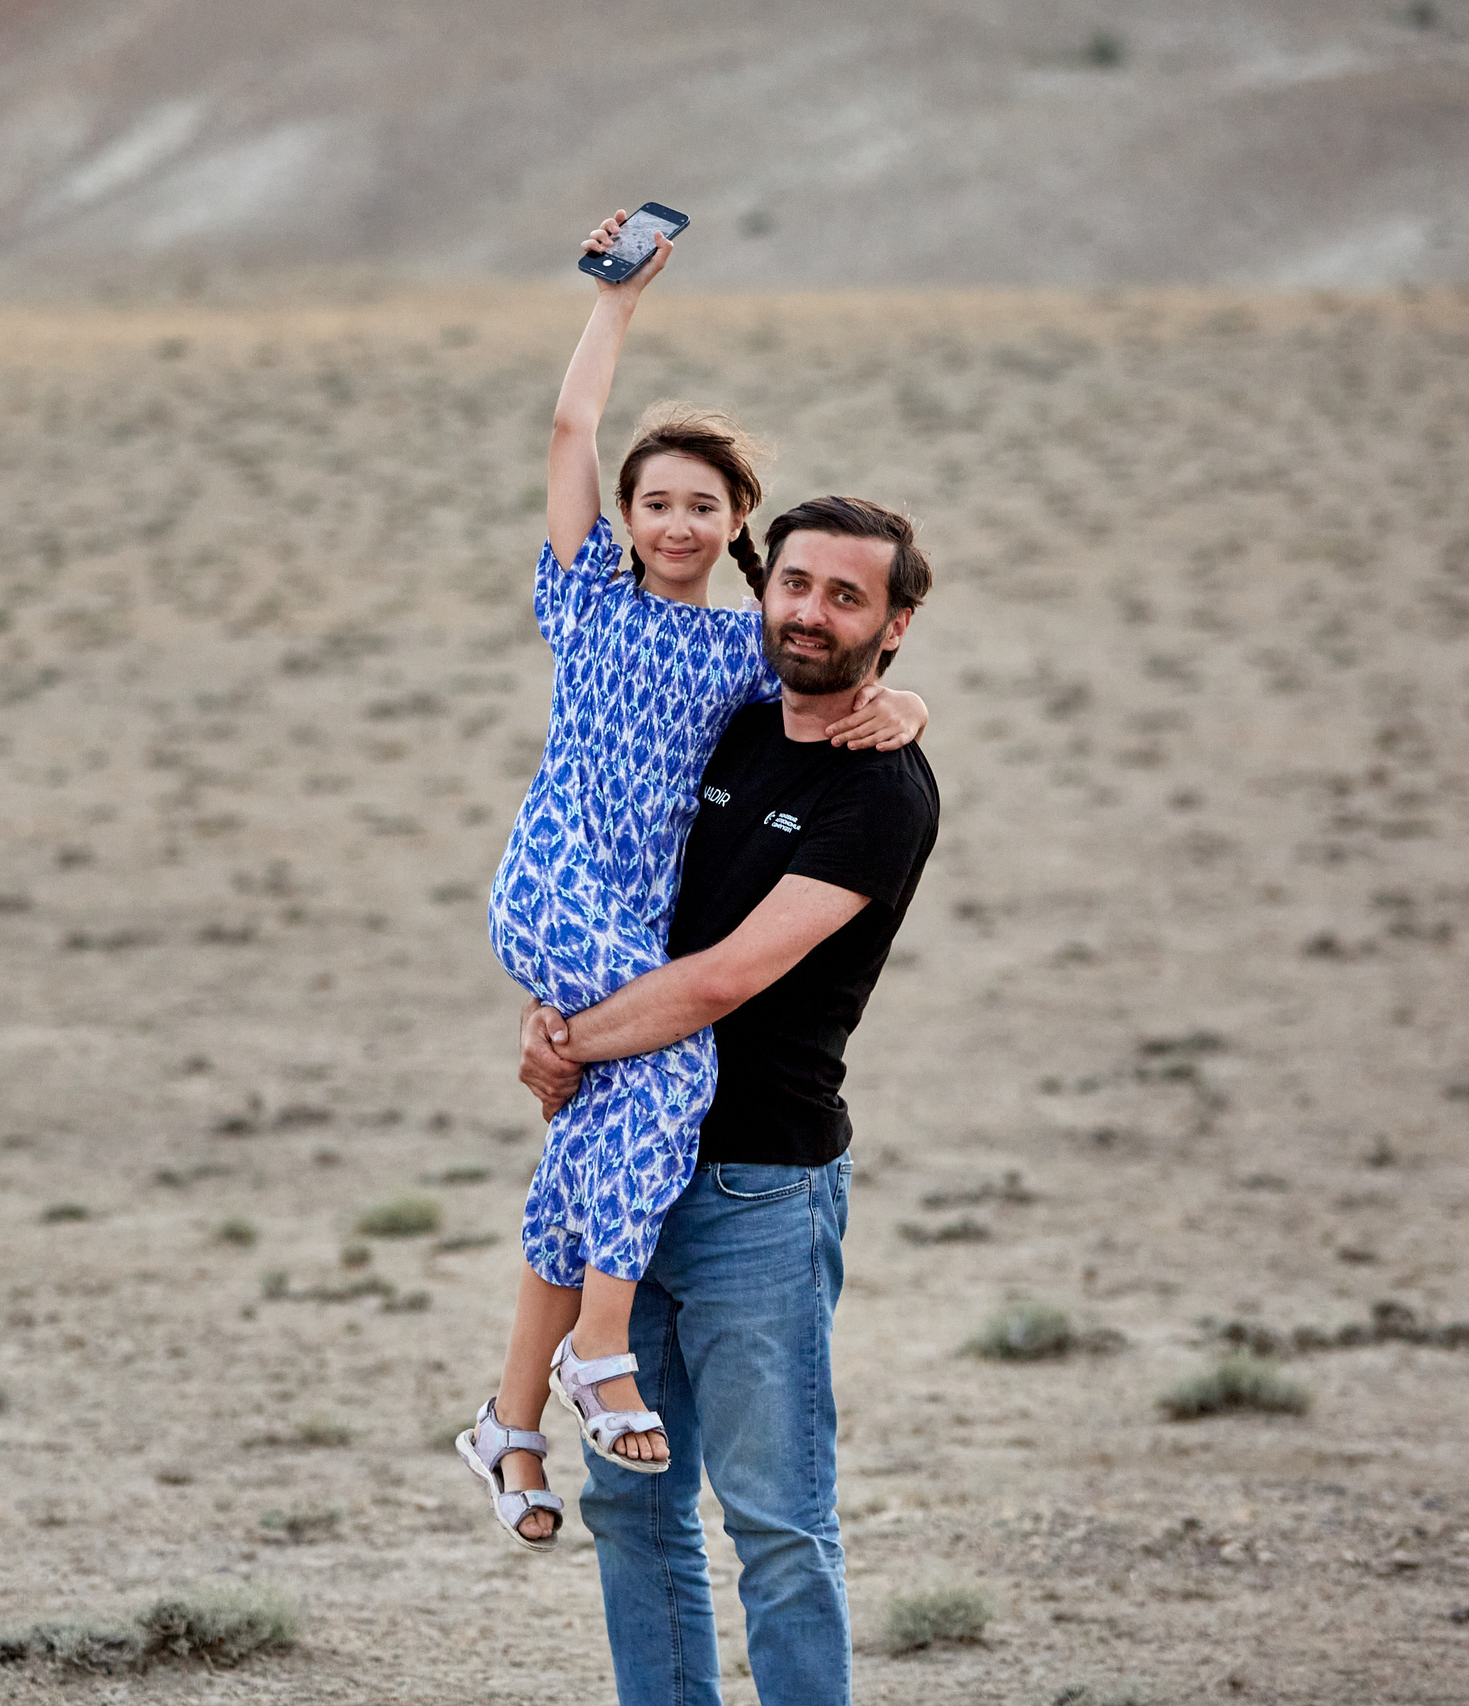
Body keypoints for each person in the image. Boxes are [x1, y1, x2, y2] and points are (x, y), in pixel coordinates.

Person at [459, 211, 930, 1555]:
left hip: (632, 917)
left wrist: (906, 705)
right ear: (624, 518)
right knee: (675, 1068)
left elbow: (830, 669)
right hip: (553, 884)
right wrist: (615, 303)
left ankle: (507, 1419)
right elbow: (566, 436)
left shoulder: (740, 649)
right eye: (653, 498)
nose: (674, 517)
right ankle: (601, 1348)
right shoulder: (583, 599)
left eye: (703, 506)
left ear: (736, 534)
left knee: (592, 1125)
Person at [519, 494, 940, 1706]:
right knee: (633, 1510)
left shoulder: (883, 793)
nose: (809, 612)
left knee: (777, 1521)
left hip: (763, 1183)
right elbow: (610, 876)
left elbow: (721, 978)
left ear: (894, 625)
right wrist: (551, 1012)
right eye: (794, 583)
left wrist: (569, 1048)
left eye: (846, 595)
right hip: (630, 1169)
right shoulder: (731, 722)